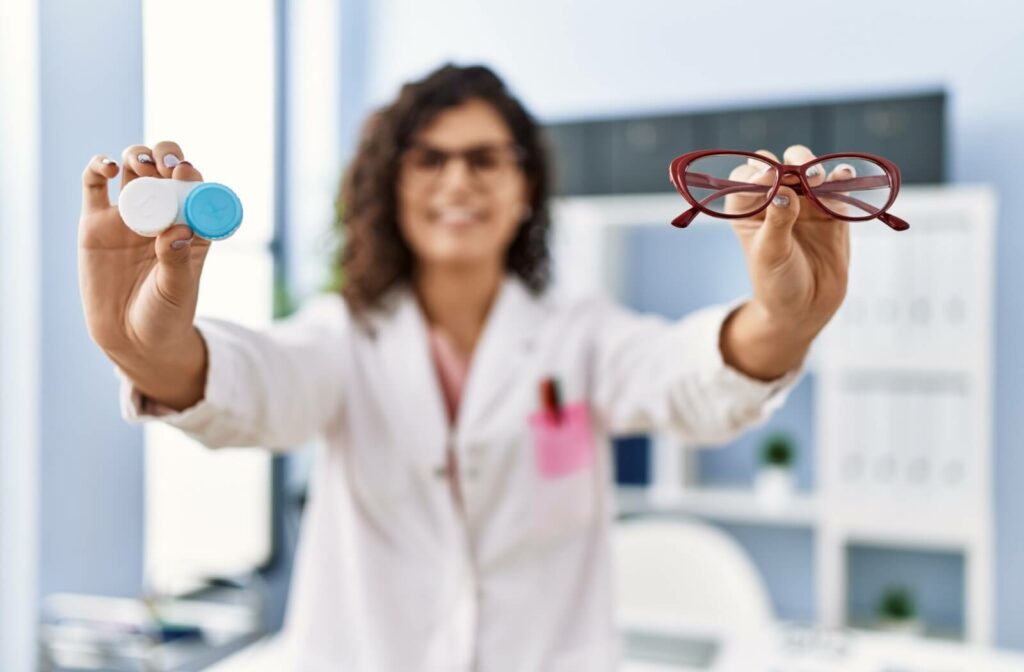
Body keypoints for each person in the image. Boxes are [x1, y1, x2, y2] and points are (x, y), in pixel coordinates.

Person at [79, 64, 848, 671]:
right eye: (430, 159)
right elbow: (257, 382)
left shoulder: (578, 333)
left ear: (526, 188)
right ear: (392, 184)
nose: (458, 181)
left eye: (485, 158)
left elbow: (684, 377)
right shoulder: (343, 335)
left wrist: (783, 320)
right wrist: (150, 350)